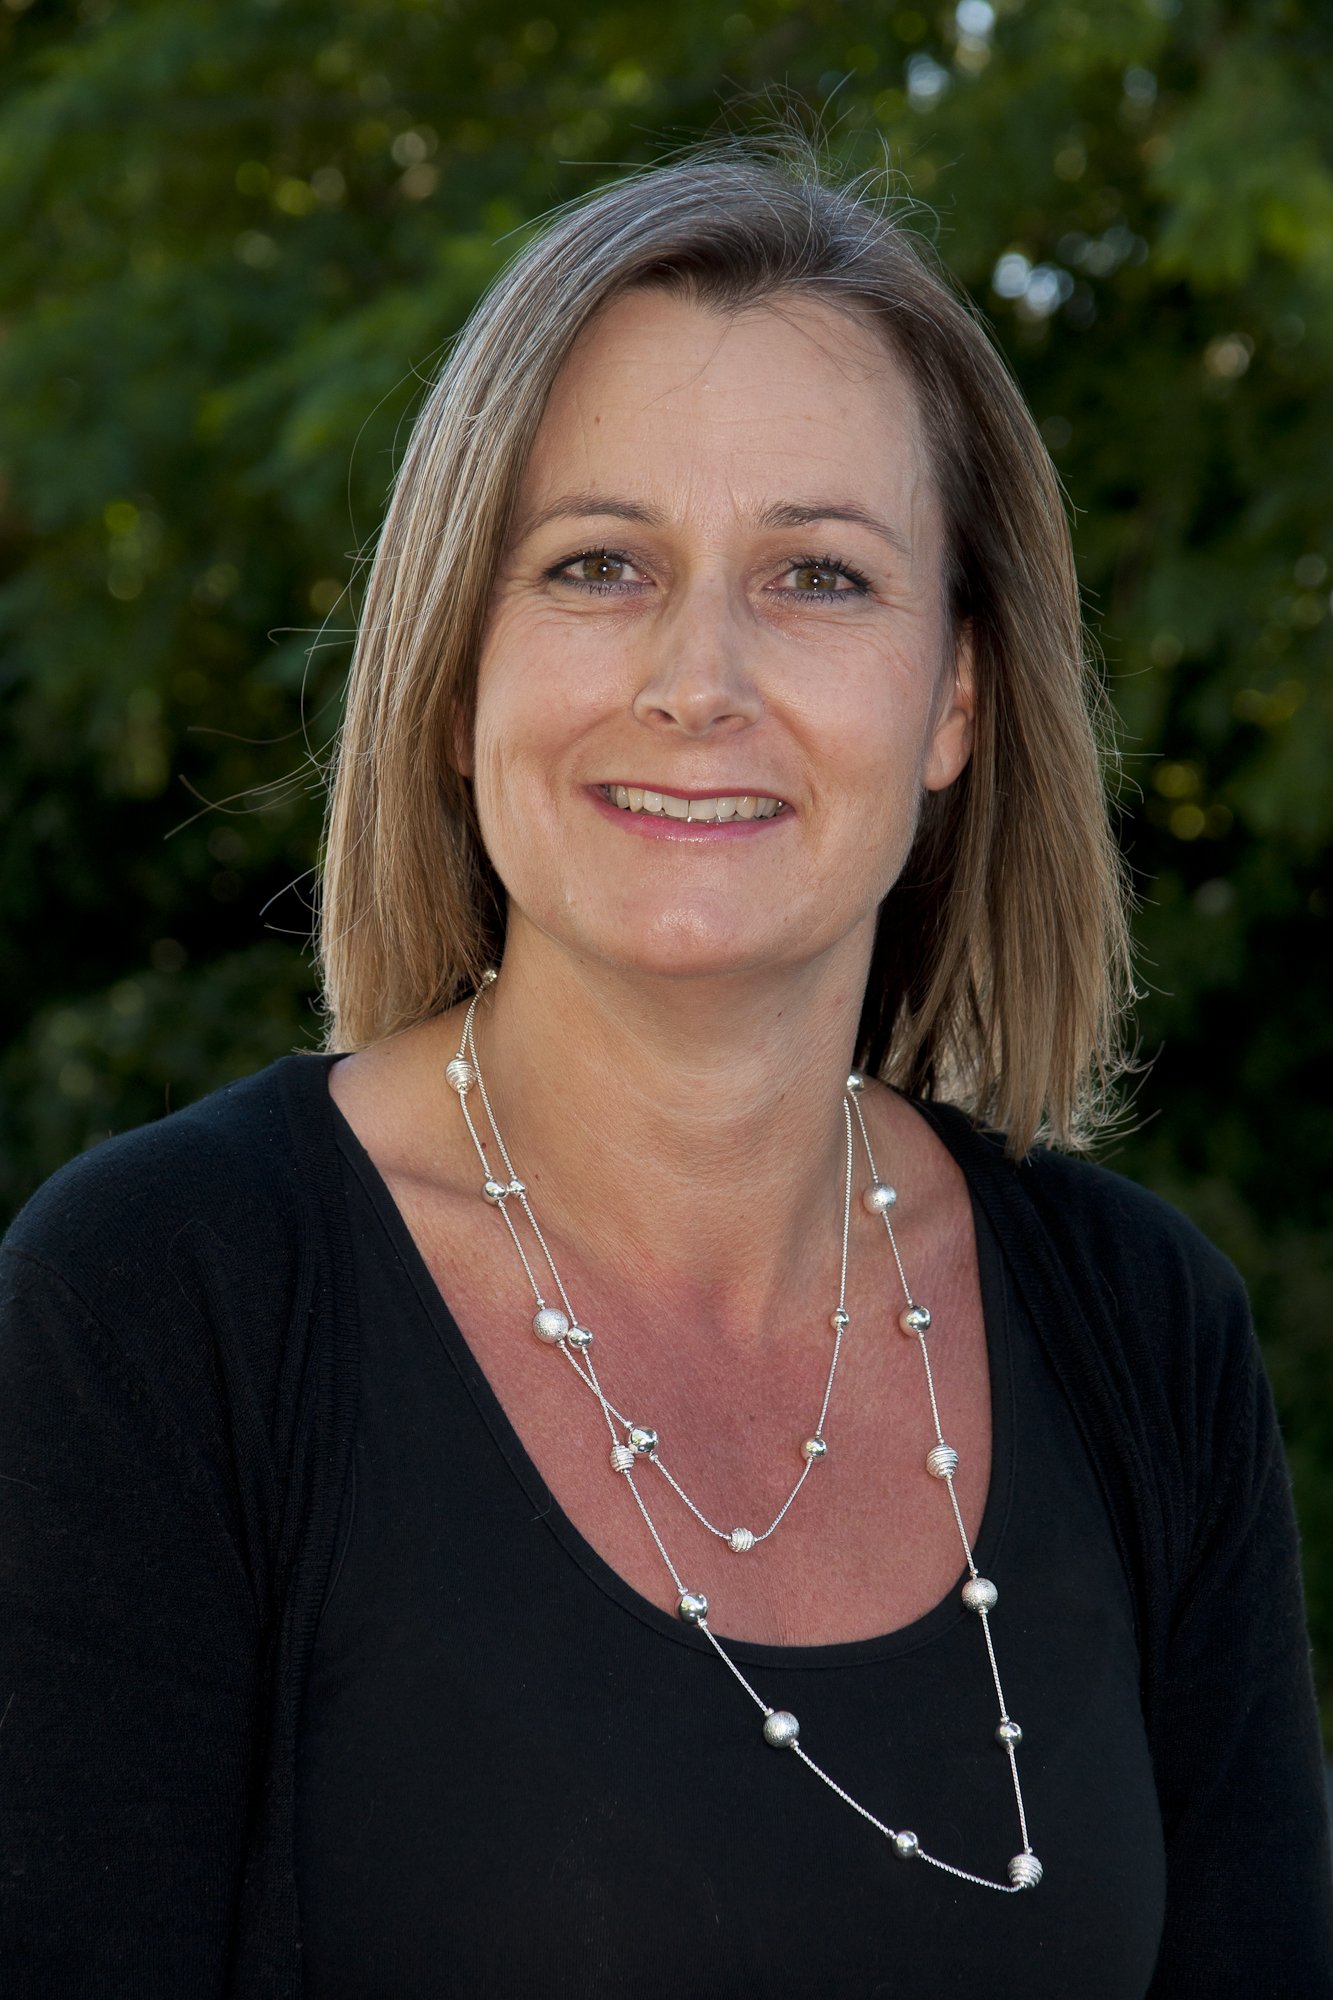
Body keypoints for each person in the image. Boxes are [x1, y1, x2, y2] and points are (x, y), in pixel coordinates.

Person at [2, 139, 1329, 2000]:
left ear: (954, 693)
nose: (696, 677)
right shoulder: (162, 1306)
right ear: (460, 672)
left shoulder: (1140, 1331)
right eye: (598, 564)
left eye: (817, 575)